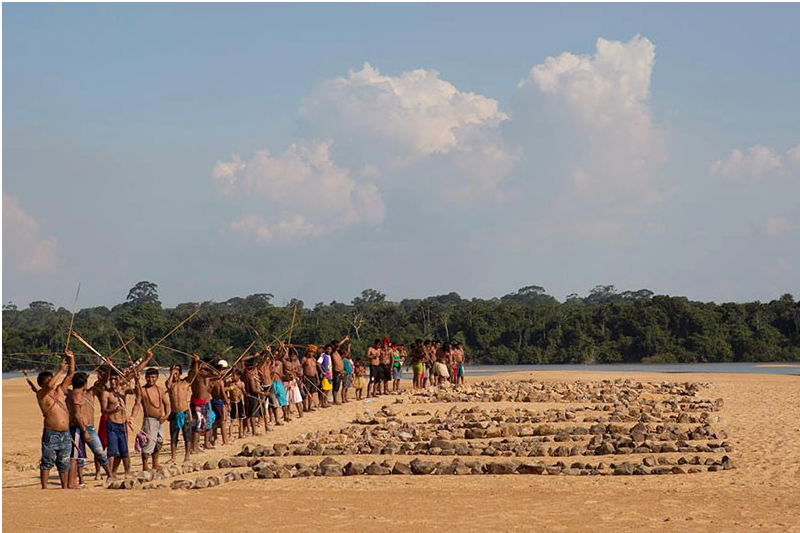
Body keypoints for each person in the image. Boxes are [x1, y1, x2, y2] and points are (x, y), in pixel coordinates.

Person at [36, 349, 75, 489]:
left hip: (65, 433)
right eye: (49, 379)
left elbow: (70, 375)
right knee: (47, 461)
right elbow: (50, 385)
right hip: (51, 433)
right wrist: (59, 370)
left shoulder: (59, 391)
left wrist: (71, 359)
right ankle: (44, 487)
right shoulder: (41, 394)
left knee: (64, 462)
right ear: (43, 384)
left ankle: (64, 487)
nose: (52, 382)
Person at [68, 370, 111, 482]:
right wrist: (84, 431)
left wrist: (108, 368)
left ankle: (110, 475)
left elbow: (103, 382)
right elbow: (77, 415)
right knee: (79, 456)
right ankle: (81, 479)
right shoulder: (72, 395)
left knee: (100, 452)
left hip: (90, 427)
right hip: (77, 428)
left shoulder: (90, 393)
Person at [132, 367, 170, 471]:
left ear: (157, 377)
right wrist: (132, 417)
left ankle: (155, 464)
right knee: (148, 443)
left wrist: (166, 415)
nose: (150, 379)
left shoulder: (160, 390)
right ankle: (145, 466)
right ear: (145, 378)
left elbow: (166, 404)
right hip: (149, 420)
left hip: (160, 420)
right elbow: (137, 405)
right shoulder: (142, 390)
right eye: (148, 377)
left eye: (153, 377)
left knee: (158, 442)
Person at [100, 368, 136, 477]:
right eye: (111, 379)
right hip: (112, 425)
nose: (113, 382)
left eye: (115, 379)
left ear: (119, 379)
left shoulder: (123, 391)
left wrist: (137, 379)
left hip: (122, 425)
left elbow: (136, 391)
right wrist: (113, 410)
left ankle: (127, 472)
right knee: (112, 451)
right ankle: (110, 474)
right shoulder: (106, 393)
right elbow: (103, 410)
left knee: (124, 451)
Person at [189, 355, 218, 452]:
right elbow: (216, 373)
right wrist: (201, 364)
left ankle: (196, 445)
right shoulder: (198, 373)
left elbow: (216, 374)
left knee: (200, 425)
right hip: (199, 403)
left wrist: (203, 365)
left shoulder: (200, 373)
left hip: (201, 402)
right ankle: (194, 447)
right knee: (197, 425)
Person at [165, 364, 193, 463]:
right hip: (174, 413)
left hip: (185, 412)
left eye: (177, 372)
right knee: (173, 435)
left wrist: (196, 362)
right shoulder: (169, 384)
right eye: (173, 372)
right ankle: (173, 457)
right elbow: (168, 385)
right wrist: (172, 374)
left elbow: (194, 373)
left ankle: (187, 455)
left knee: (187, 435)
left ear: (180, 373)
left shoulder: (185, 382)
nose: (175, 374)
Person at [210, 360, 230, 446]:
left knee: (215, 421)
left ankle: (215, 438)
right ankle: (225, 441)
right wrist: (227, 403)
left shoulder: (210, 381)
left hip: (213, 401)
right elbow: (223, 393)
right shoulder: (219, 382)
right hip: (219, 402)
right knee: (222, 422)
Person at [228, 369, 247, 439]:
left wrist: (244, 394)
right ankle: (230, 434)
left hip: (239, 402)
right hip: (233, 402)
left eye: (234, 376)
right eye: (232, 375)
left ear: (238, 376)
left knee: (241, 419)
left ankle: (240, 434)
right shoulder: (230, 383)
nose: (232, 377)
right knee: (232, 420)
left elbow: (244, 391)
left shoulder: (242, 383)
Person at [301, 346, 319, 412]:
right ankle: (305, 407)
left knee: (311, 393)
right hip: (307, 377)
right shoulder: (304, 359)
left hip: (313, 377)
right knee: (306, 393)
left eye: (312, 352)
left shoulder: (314, 359)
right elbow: (301, 367)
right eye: (310, 352)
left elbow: (315, 369)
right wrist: (302, 376)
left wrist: (317, 378)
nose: (311, 353)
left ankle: (309, 407)